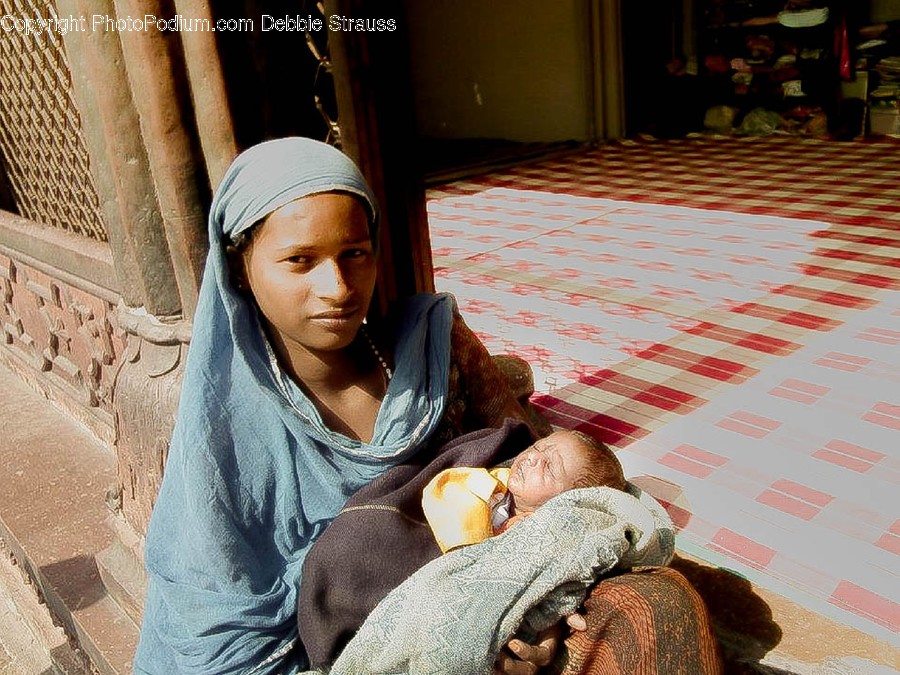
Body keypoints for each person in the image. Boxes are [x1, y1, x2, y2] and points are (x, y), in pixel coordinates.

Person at [133, 137, 723, 675]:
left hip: (491, 594)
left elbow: (555, 474)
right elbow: (218, 637)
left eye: (355, 253)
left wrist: (529, 625)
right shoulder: (225, 431)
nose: (337, 288)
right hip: (341, 656)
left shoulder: (431, 349)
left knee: (660, 611)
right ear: (240, 265)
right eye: (299, 260)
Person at [423, 428, 626, 553]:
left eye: (549, 467)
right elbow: (447, 488)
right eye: (538, 447)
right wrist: (470, 549)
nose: (532, 458)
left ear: (568, 501)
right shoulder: (490, 486)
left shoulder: (549, 533)